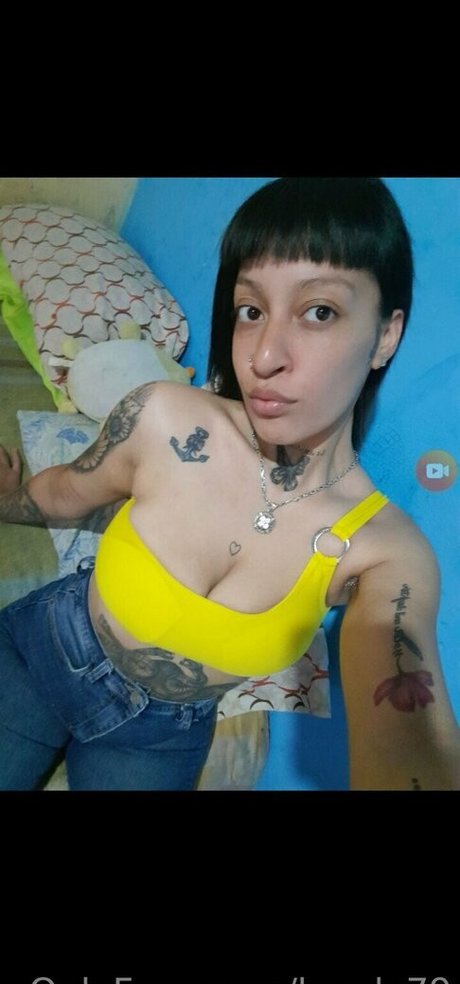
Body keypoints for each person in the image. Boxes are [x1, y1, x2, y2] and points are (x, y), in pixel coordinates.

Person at [0, 176, 459, 790]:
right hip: (43, 648)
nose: (263, 357)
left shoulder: (383, 553)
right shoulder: (164, 417)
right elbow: (67, 492)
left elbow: (407, 740)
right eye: (251, 311)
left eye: (319, 311)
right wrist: (8, 498)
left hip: (159, 734)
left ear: (385, 336)